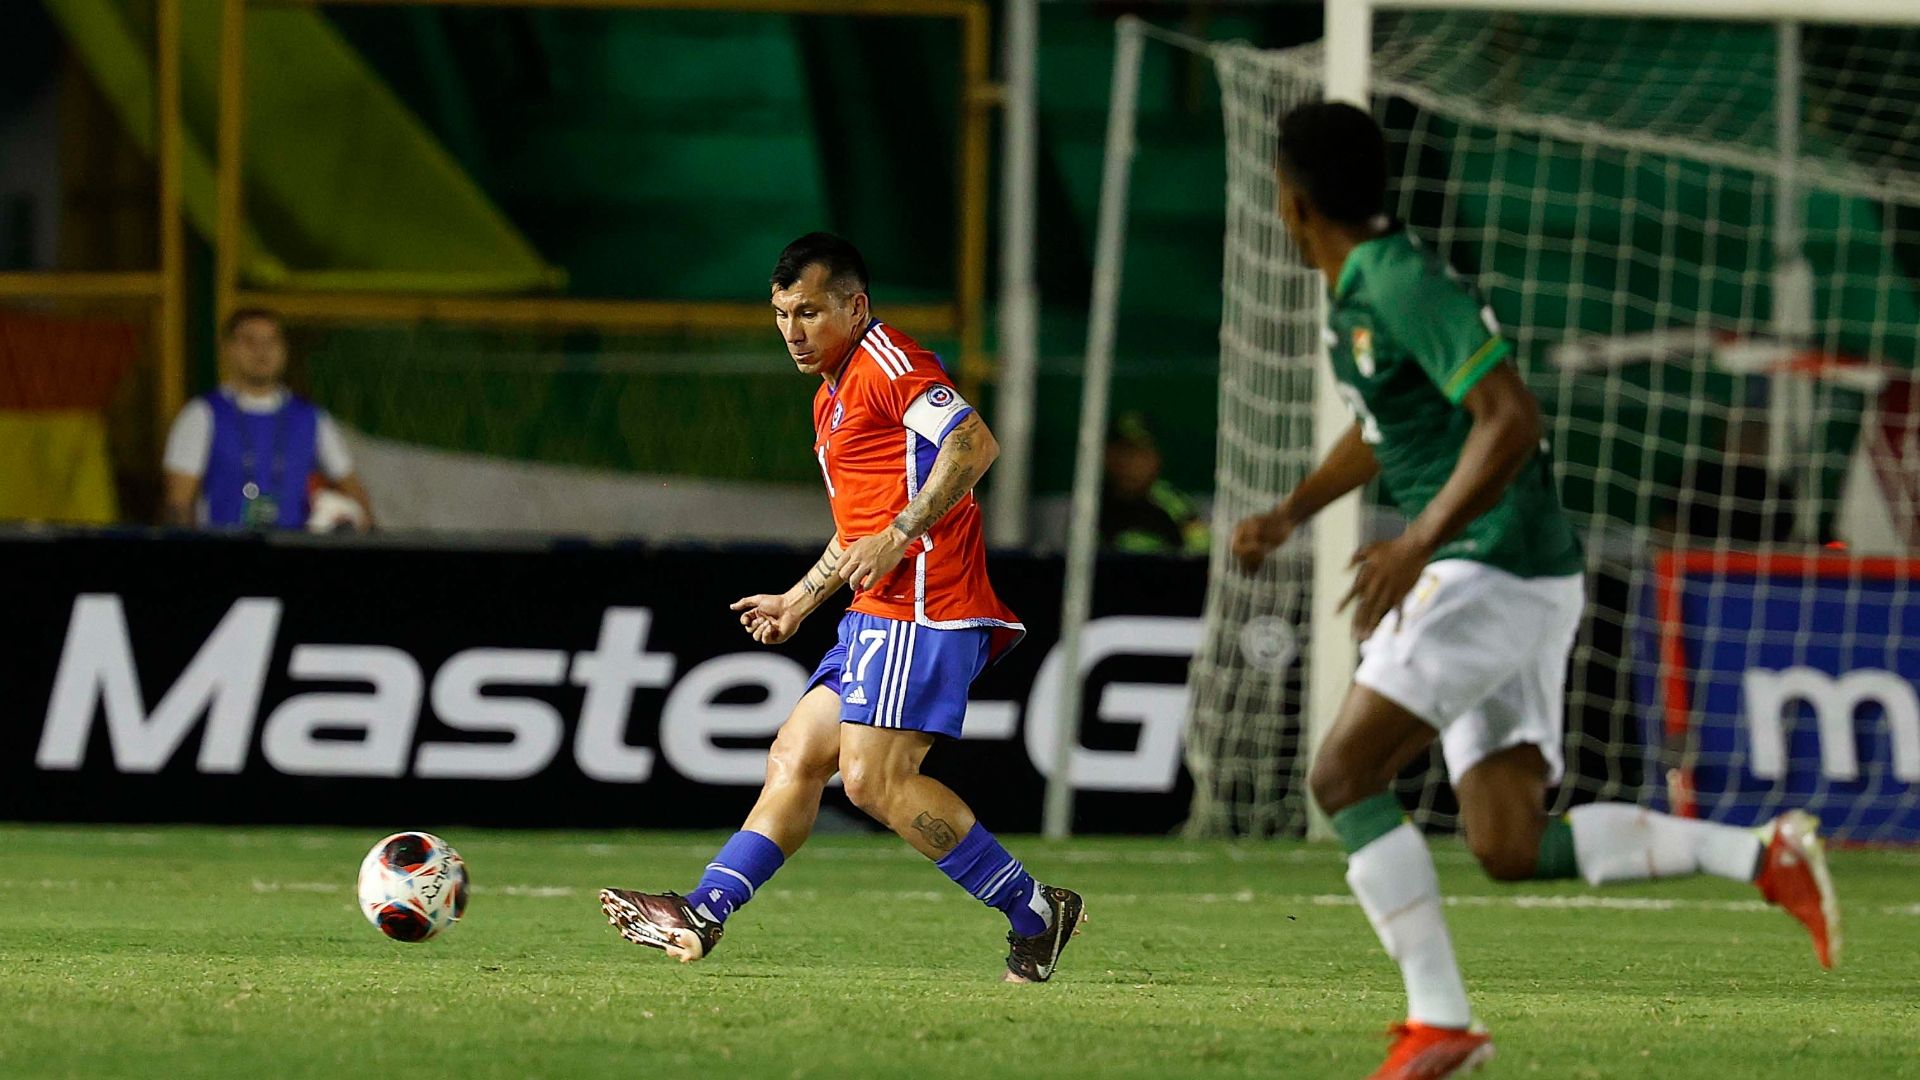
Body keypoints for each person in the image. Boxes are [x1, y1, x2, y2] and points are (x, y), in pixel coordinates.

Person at [1230, 103, 1838, 1080]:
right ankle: (1764, 858)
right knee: (1509, 844)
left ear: (1292, 201)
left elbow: (1510, 417)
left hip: (1489, 562)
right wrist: (1291, 513)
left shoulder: (1397, 281)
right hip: (1516, 572)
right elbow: (1387, 427)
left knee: (1342, 778)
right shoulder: (1369, 287)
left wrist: (1416, 541)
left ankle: (1441, 1026)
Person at [600, 233, 1085, 983]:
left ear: (855, 307)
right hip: (875, 611)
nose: (793, 332)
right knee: (795, 757)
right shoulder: (832, 393)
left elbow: (973, 443)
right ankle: (703, 910)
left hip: (925, 606)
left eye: (811, 313)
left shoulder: (889, 364)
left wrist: (899, 535)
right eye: (782, 314)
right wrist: (801, 599)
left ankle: (1035, 911)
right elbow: (859, 524)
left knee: (871, 781)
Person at [161, 308, 372, 531]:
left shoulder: (311, 418)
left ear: (284, 350)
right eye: (250, 341)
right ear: (229, 349)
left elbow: (355, 494)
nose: (262, 351)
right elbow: (178, 504)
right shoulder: (202, 414)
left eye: (271, 341)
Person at [1100, 412, 1209, 554]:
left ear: (1156, 459)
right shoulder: (1091, 503)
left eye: (1139, 454)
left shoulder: (1173, 503)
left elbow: (1202, 551)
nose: (1128, 464)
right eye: (1121, 452)